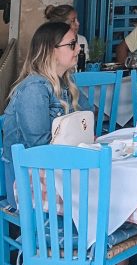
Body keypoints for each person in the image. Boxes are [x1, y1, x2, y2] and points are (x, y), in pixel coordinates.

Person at [1, 21, 86, 203]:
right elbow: (39, 148)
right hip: (28, 183)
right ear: (51, 50)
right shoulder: (34, 88)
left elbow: (86, 123)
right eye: (72, 44)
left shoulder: (65, 84)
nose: (78, 48)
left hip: (57, 171)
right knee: (96, 197)